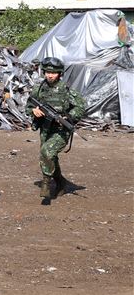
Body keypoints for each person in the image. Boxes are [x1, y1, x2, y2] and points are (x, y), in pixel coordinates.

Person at [25, 57, 86, 200]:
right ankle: (60, 183)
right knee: (50, 157)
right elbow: (28, 106)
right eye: (47, 72)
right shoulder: (38, 88)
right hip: (45, 128)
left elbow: (80, 106)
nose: (49, 75)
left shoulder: (66, 89)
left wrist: (68, 117)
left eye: (53, 73)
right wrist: (34, 111)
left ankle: (46, 183)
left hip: (61, 130)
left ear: (60, 74)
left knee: (46, 152)